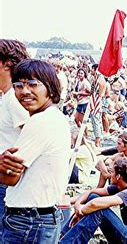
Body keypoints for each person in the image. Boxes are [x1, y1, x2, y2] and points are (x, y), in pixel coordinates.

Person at [0, 59, 71, 243]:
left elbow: (9, 178)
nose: (24, 91)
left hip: (28, 221)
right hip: (39, 218)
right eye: (18, 85)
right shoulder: (54, 117)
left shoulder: (40, 122)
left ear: (50, 87)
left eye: (32, 84)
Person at [60, 158, 127, 243]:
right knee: (93, 196)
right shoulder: (120, 186)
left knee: (99, 210)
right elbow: (90, 192)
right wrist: (75, 203)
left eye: (111, 172)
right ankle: (62, 235)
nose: (109, 175)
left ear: (118, 176)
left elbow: (95, 204)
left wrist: (79, 213)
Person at [0, 39, 29, 239]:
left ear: (6, 64)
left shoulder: (14, 98)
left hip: (8, 179)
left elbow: (30, 132)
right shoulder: (7, 96)